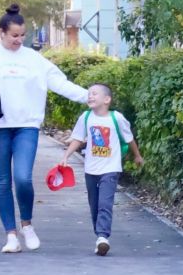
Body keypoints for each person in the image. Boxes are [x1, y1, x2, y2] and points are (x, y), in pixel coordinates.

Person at [0, 3, 88, 253]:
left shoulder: (33, 59)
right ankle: (10, 235)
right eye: (14, 36)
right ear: (1, 33)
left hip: (26, 127)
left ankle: (27, 225)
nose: (19, 40)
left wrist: (89, 96)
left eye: (22, 35)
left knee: (22, 177)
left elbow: (60, 83)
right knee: (2, 181)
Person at [60, 83, 144, 256]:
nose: (90, 96)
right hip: (91, 168)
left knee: (105, 203)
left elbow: (129, 139)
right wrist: (66, 156)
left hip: (110, 168)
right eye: (89, 94)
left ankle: (103, 237)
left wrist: (137, 156)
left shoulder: (116, 118)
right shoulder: (85, 117)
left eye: (95, 94)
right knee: (94, 205)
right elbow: (77, 138)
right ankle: (99, 235)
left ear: (107, 99)